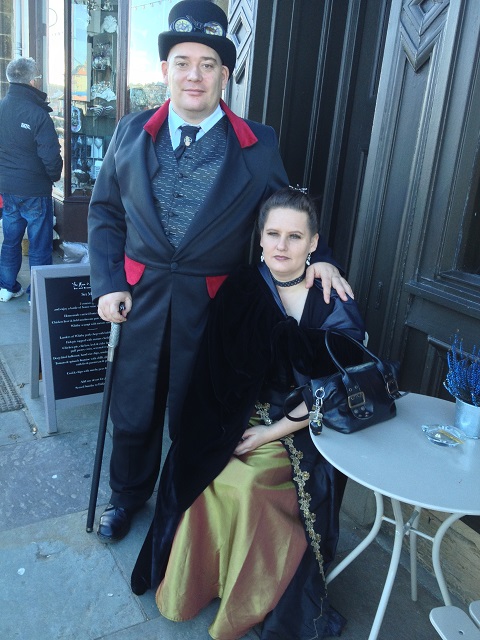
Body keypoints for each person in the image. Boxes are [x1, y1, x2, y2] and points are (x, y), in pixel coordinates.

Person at [88, 0, 353, 543]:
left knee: (198, 412)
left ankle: (183, 502)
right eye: (182, 62)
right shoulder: (129, 131)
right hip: (139, 299)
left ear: (224, 76)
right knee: (133, 407)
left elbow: (284, 213)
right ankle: (126, 496)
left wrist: (318, 257)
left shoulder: (259, 145)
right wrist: (108, 282)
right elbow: (105, 214)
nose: (194, 75)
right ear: (165, 70)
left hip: (212, 306)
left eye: (208, 64)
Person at [131, 187, 366, 639]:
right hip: (241, 414)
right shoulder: (241, 289)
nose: (281, 245)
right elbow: (215, 370)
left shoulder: (333, 296)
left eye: (295, 237)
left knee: (247, 483)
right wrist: (218, 431)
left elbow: (338, 386)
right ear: (259, 238)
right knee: (200, 473)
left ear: (314, 244)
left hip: (307, 428)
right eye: (273, 234)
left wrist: (269, 433)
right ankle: (207, 580)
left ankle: (251, 593)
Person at [0, 57, 62, 302]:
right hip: (35, 190)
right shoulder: (38, 114)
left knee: (11, 240)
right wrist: (54, 177)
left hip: (8, 188)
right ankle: (37, 294)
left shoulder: (2, 108)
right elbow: (51, 156)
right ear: (33, 80)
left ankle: (6, 287)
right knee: (39, 245)